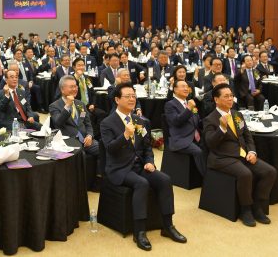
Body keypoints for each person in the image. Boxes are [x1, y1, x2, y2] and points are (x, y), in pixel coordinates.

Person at [101, 83, 186, 251]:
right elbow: (110, 149)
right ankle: (139, 231)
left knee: (165, 179)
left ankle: (167, 226)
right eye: (128, 96)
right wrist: (125, 135)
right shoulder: (107, 122)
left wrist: (149, 161)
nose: (132, 99)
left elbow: (147, 147)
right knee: (142, 183)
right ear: (117, 99)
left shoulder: (140, 120)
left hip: (140, 165)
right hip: (119, 168)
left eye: (134, 96)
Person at [203, 83, 277, 227]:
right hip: (222, 157)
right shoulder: (210, 119)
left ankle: (257, 206)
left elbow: (247, 136)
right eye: (226, 96)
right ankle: (246, 209)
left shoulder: (237, 114)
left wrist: (252, 151)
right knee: (245, 174)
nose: (230, 99)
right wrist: (222, 128)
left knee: (270, 171)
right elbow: (210, 143)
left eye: (231, 95)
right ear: (216, 100)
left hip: (243, 155)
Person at [49, 75, 99, 157]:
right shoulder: (54, 106)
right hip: (69, 142)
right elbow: (58, 123)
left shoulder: (80, 104)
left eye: (76, 86)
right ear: (62, 89)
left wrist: (90, 135)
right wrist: (68, 106)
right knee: (80, 156)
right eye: (71, 87)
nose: (75, 89)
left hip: (86, 140)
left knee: (103, 150)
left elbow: (88, 124)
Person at [164, 80, 206, 175]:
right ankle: (207, 179)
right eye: (183, 86)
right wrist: (188, 109)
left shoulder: (190, 103)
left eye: (187, 86)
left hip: (195, 136)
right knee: (198, 152)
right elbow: (176, 121)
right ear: (175, 89)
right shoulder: (170, 104)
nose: (186, 88)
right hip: (181, 138)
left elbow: (198, 122)